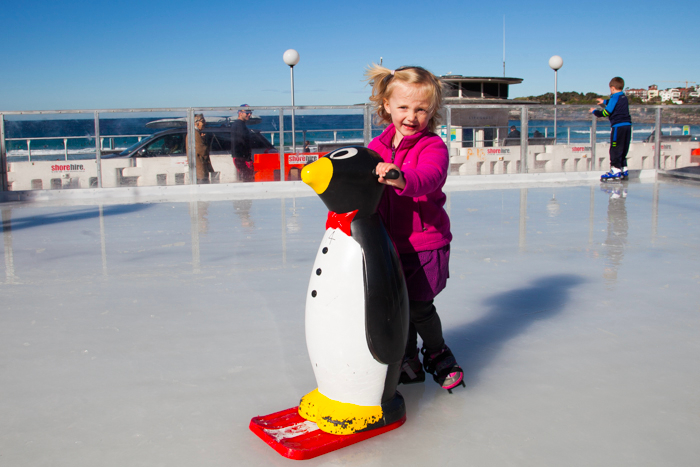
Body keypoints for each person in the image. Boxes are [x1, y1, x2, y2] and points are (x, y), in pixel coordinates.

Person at [365, 64, 464, 393]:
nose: (411, 116)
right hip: (388, 245)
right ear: (386, 106)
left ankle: (437, 352)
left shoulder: (432, 147)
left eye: (421, 109)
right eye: (403, 107)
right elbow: (362, 191)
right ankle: (406, 356)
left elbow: (430, 177)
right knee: (396, 307)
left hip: (424, 245)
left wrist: (401, 178)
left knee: (419, 307)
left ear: (432, 111)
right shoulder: (375, 148)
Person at [590, 77, 632, 181]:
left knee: (615, 149)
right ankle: (623, 169)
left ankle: (615, 170)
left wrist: (595, 111)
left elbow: (606, 112)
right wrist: (604, 101)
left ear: (612, 88)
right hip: (627, 126)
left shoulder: (614, 98)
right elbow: (614, 103)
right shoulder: (623, 97)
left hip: (618, 127)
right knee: (623, 148)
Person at [231, 104, 254, 182]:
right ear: (240, 113)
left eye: (250, 112)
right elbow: (242, 142)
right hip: (241, 157)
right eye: (247, 112)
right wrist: (247, 158)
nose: (249, 114)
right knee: (247, 178)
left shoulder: (240, 125)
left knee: (247, 177)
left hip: (241, 157)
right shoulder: (239, 125)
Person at [194, 114, 214, 183]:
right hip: (200, 170)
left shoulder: (196, 133)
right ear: (196, 122)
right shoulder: (195, 134)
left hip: (200, 169)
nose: (204, 123)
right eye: (202, 121)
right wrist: (204, 142)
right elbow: (202, 150)